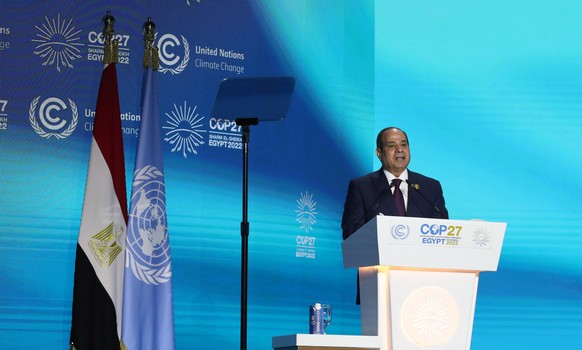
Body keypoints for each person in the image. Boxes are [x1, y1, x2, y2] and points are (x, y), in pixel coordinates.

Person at [342, 126, 449, 239]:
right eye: (392, 145)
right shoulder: (361, 187)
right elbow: (352, 233)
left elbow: (443, 233)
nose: (399, 149)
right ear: (379, 153)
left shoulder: (430, 187)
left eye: (404, 145)